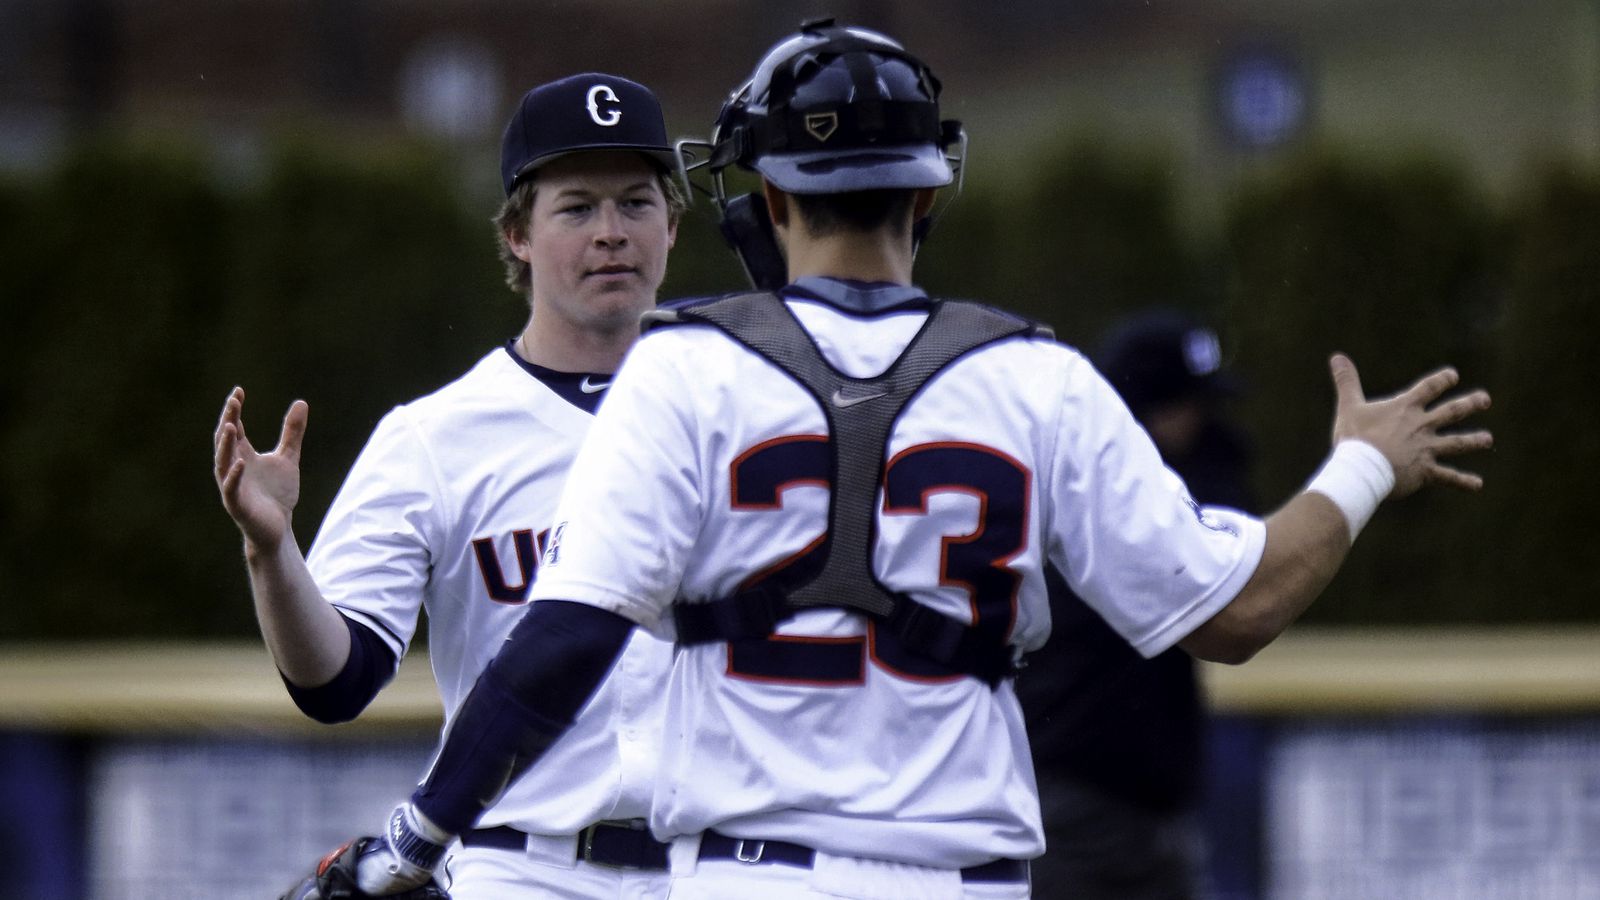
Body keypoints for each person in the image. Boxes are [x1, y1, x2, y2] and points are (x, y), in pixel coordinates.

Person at [329, 20, 1492, 900]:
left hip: (747, 876)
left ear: (768, 194)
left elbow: (564, 640)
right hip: (959, 875)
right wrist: (1360, 465)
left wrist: (416, 838)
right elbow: (1239, 612)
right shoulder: (1037, 377)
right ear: (931, 192)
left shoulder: (682, 367)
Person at [212, 72, 685, 899]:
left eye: (636, 203)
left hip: (724, 866)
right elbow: (339, 680)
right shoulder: (436, 437)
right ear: (517, 235)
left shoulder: (745, 416)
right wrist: (271, 550)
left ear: (674, 224)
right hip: (525, 867)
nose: (612, 233)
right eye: (576, 208)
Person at [1015, 309, 1253, 899]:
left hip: (1137, 810)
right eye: (1188, 406)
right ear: (1149, 409)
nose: (1202, 422)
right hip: (1071, 805)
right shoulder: (1109, 507)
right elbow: (1230, 566)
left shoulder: (1138, 485)